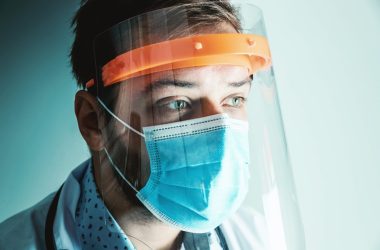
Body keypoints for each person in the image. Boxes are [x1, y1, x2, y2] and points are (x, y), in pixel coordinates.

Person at [0, 0, 304, 249]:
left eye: (234, 99)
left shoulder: (260, 239)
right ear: (93, 121)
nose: (219, 132)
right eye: (177, 103)